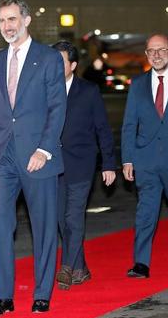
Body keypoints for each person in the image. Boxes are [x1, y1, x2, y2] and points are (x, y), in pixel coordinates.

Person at [0, 0, 66, 315]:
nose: (7, 26)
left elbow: (58, 108)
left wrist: (44, 150)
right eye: (3, 20)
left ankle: (42, 293)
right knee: (0, 225)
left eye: (13, 19)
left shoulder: (48, 59)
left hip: (37, 155)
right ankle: (3, 296)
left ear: (27, 20)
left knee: (43, 227)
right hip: (4, 156)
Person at [121, 34, 168, 279]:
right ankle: (141, 263)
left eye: (161, 50)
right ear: (146, 54)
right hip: (145, 160)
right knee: (145, 213)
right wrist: (128, 159)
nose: (156, 55)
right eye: (151, 51)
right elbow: (129, 124)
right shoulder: (138, 84)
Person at [51, 40, 116, 290]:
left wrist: (109, 163)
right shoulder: (44, 90)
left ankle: (67, 266)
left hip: (81, 164)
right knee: (60, 219)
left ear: (73, 65)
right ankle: (81, 268)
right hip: (52, 165)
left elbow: (103, 128)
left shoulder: (88, 91)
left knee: (73, 217)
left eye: (61, 62)